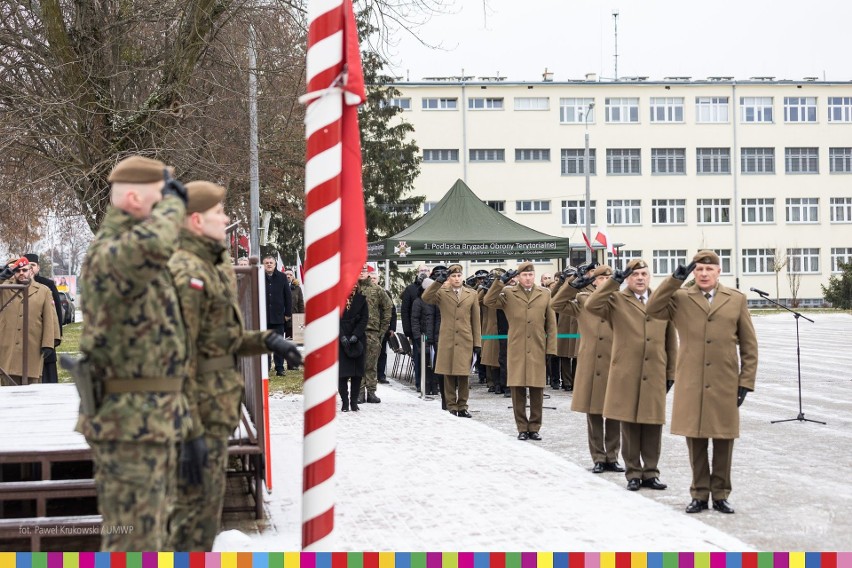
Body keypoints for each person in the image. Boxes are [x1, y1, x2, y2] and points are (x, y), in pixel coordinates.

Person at [167, 181, 302, 550]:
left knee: (203, 520)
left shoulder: (209, 267)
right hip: (195, 414)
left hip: (213, 411)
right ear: (196, 220)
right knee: (188, 523)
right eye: (218, 213)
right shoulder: (187, 272)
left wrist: (268, 341)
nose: (225, 218)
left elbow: (220, 338)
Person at [76, 155, 189, 551]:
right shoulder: (112, 253)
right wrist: (176, 204)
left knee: (153, 538)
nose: (169, 210)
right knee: (134, 544)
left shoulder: (134, 254)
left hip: (151, 417)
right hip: (127, 424)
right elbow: (155, 244)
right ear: (133, 199)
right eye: (161, 199)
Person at [646, 250, 758, 515]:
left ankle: (720, 494)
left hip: (725, 380)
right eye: (699, 270)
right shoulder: (681, 298)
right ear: (693, 273)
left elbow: (749, 345)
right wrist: (674, 280)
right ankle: (698, 494)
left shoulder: (736, 299)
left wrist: (746, 380)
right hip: (692, 381)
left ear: (719, 271)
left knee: (723, 440)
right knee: (695, 440)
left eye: (709, 270)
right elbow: (652, 308)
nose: (704, 274)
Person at [584, 258, 678, 491]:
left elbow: (670, 339)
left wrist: (670, 372)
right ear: (627, 278)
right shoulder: (616, 299)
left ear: (649, 277)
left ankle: (651, 473)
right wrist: (613, 281)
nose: (640, 278)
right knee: (630, 424)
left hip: (655, 371)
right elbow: (592, 305)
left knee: (653, 425)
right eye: (634, 275)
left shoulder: (661, 300)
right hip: (626, 372)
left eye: (644, 274)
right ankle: (633, 472)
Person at [551, 264, 624, 473]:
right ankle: (598, 458)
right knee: (593, 414)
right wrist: (573, 286)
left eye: (610, 278)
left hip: (614, 362)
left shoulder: (621, 300)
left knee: (614, 413)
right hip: (591, 363)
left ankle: (613, 456)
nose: (606, 281)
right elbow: (556, 304)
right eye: (602, 278)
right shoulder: (583, 299)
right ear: (595, 280)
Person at [484, 262, 556, 439]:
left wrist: (551, 349)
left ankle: (535, 427)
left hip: (538, 346)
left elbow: (551, 324)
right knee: (517, 389)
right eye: (524, 275)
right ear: (517, 277)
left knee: (537, 388)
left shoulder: (545, 294)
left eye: (530, 275)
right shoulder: (509, 293)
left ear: (534, 276)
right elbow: (488, 300)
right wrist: (500, 282)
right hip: (516, 346)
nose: (528, 278)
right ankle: (522, 427)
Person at [421, 263, 482, 417]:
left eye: (459, 275)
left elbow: (476, 319)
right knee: (448, 373)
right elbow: (426, 297)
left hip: (465, 338)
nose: (456, 278)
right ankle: (451, 405)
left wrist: (477, 343)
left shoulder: (472, 294)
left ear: (462, 276)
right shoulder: (442, 292)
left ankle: (462, 406)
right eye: (453, 276)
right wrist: (438, 282)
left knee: (463, 374)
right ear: (449, 278)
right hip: (447, 338)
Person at [0, 257, 61, 386]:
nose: (21, 273)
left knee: (32, 390)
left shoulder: (43, 291)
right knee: (8, 390)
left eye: (24, 270)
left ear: (31, 271)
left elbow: (50, 318)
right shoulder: (4, 289)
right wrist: (2, 277)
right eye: (17, 270)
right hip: (8, 349)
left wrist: (48, 343)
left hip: (32, 349)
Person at [23, 253, 64, 383]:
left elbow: (56, 311)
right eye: (26, 266)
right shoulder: (18, 284)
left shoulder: (47, 285)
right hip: (27, 337)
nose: (30, 268)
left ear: (38, 267)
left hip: (44, 336)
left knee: (47, 373)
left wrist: (55, 337)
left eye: (33, 265)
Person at [357, 265, 392, 403]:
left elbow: (388, 308)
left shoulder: (377, 289)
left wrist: (382, 331)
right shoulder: (352, 288)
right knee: (358, 363)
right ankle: (359, 392)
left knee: (371, 364)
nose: (361, 273)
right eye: (359, 270)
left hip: (372, 332)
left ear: (368, 273)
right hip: (356, 333)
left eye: (364, 271)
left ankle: (371, 392)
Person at [262, 254, 293, 376]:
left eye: (271, 262)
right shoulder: (259, 276)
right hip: (263, 316)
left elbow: (288, 297)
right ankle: (266, 367)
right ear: (263, 264)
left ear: (275, 264)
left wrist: (287, 314)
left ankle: (279, 368)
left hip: (278, 316)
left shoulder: (282, 277)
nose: (269, 264)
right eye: (267, 262)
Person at [339, 285, 368, 412]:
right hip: (341, 340)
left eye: (354, 286)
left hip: (358, 340)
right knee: (342, 375)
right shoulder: (337, 300)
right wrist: (341, 336)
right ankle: (345, 403)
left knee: (357, 374)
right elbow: (333, 319)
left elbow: (364, 319)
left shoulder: (361, 300)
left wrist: (356, 334)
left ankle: (354, 402)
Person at [401, 265, 431, 388]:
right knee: (419, 357)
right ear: (417, 273)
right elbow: (405, 311)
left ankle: (432, 383)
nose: (423, 273)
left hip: (432, 330)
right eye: (421, 270)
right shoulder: (410, 289)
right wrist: (408, 331)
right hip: (417, 331)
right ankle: (420, 383)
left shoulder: (434, 288)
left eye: (426, 270)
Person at [370, 271, 397, 384]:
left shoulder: (385, 293)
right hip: (369, 328)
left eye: (375, 278)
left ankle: (381, 375)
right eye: (370, 278)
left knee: (382, 353)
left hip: (382, 328)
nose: (373, 280)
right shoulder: (362, 291)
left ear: (378, 280)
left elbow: (392, 311)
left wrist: (392, 328)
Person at [284, 268, 304, 340]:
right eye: (286, 274)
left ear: (293, 277)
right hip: (281, 318)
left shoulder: (297, 288)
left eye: (290, 275)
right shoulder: (279, 286)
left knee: (293, 341)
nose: (288, 276)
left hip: (294, 319)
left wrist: (302, 317)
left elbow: (300, 303)